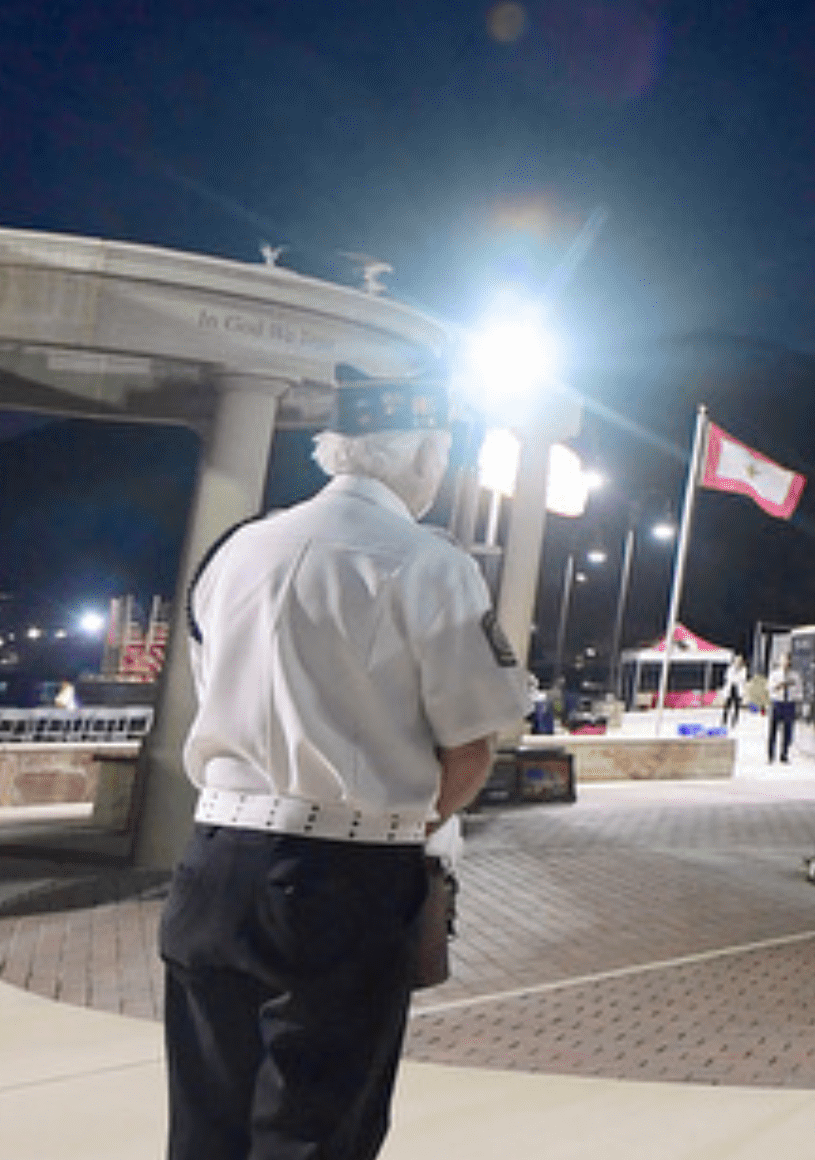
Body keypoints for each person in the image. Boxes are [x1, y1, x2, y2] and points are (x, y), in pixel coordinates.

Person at [162, 365, 531, 1160]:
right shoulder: (432, 565)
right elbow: (471, 747)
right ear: (425, 459)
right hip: (342, 878)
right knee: (317, 1131)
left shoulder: (237, 549)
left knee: (204, 1129)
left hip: (212, 865)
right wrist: (402, 820)